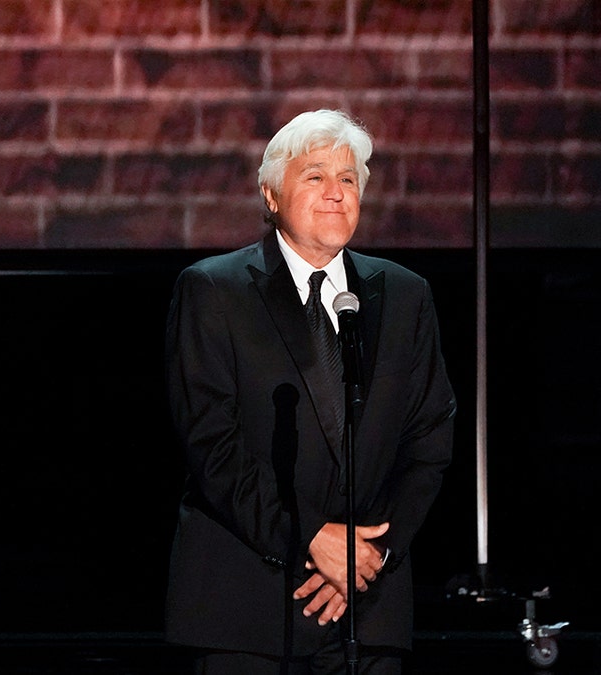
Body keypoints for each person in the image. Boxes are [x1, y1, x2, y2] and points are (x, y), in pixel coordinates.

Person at [164, 109, 457, 674]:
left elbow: (428, 445)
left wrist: (366, 560)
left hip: (366, 613)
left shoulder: (405, 296)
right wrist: (309, 540)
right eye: (315, 176)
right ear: (272, 196)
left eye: (348, 179)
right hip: (248, 610)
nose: (335, 193)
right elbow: (212, 447)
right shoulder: (213, 291)